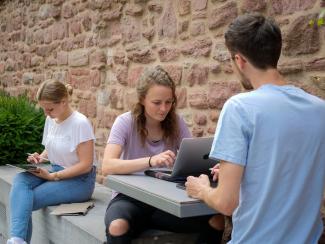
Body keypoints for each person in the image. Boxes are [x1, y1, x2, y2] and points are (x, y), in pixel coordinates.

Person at [185, 12, 325, 244]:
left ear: (239, 60)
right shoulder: (320, 109)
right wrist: (246, 172)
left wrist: (201, 189)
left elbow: (226, 203)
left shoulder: (239, 108)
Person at [102, 65, 222, 244]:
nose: (164, 108)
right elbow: (107, 166)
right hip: (130, 199)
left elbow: (193, 158)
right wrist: (150, 161)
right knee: (117, 226)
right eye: (157, 103)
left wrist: (214, 167)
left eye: (169, 102)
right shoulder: (125, 122)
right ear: (142, 99)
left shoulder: (177, 122)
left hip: (167, 201)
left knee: (218, 220)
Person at [7, 80, 96, 244]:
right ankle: (17, 240)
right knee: (20, 180)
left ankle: (17, 240)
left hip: (80, 181)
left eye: (50, 109)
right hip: (55, 169)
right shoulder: (51, 120)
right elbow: (52, 146)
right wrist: (40, 157)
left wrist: (53, 176)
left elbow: (86, 165)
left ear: (64, 101)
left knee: (25, 199)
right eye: (43, 109)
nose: (46, 113)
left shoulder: (80, 123)